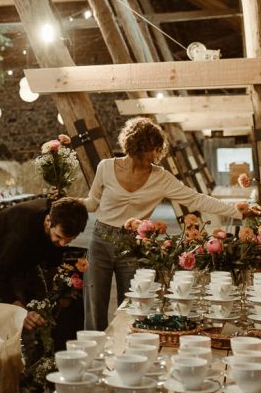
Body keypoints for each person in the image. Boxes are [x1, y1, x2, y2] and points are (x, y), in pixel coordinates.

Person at [82, 117, 250, 330]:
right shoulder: (105, 167)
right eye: (152, 149)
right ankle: (94, 350)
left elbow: (196, 199)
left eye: (157, 150)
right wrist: (62, 202)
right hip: (100, 240)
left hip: (134, 245)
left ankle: (127, 347)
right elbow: (92, 203)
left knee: (134, 306)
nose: (156, 155)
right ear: (138, 145)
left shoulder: (161, 177)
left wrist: (236, 211)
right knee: (94, 305)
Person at [0, 196, 89, 330]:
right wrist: (20, 311)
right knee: (17, 315)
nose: (62, 244)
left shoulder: (60, 214)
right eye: (59, 237)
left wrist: (62, 291)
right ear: (48, 221)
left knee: (40, 302)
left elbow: (53, 262)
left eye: (69, 240)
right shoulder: (18, 236)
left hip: (29, 252)